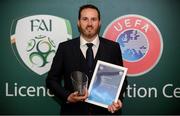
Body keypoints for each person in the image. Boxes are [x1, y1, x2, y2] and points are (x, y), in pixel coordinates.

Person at [46, 4, 127, 115]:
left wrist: (118, 100)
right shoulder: (65, 48)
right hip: (73, 112)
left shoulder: (113, 48)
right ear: (78, 22)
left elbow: (122, 80)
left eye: (93, 19)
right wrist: (68, 97)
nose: (89, 24)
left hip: (106, 112)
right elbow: (51, 80)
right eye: (85, 19)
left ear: (99, 22)